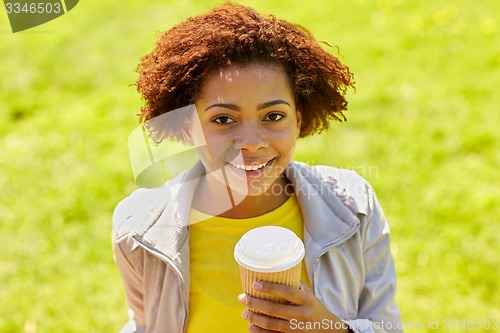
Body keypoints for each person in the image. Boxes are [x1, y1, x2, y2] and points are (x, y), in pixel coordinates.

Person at [112, 2, 402, 333]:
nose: (251, 142)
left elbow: (387, 324)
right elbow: (144, 325)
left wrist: (331, 328)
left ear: (298, 119)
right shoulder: (140, 229)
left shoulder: (353, 206)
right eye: (223, 119)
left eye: (273, 116)